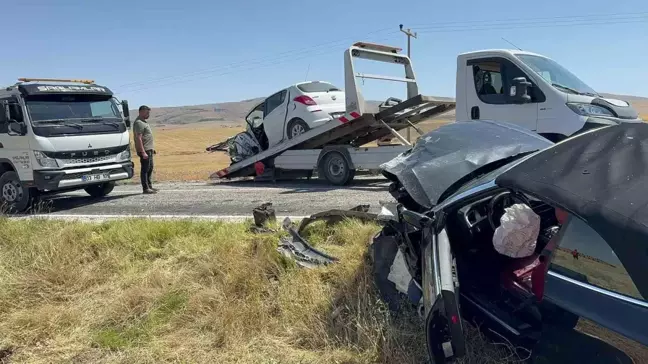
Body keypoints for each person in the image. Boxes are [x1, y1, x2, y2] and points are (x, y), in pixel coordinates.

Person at [133, 105, 157, 194]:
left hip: (148, 149)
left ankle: (149, 186)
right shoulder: (139, 122)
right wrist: (143, 152)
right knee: (145, 169)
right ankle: (145, 188)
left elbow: (147, 137)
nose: (148, 114)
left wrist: (151, 148)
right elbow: (138, 138)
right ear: (141, 112)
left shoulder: (144, 122)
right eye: (147, 112)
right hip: (144, 150)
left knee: (150, 168)